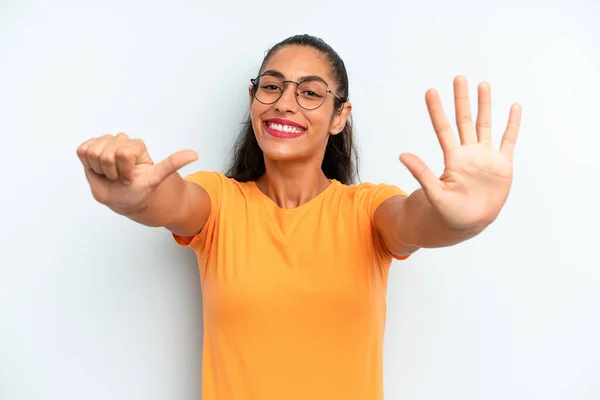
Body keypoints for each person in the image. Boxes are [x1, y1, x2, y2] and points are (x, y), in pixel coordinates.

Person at [76, 34, 521, 400]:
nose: (284, 103)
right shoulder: (221, 203)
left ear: (339, 116)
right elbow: (170, 200)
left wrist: (463, 218)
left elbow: (418, 220)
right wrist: (133, 197)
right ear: (253, 99)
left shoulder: (366, 210)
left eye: (309, 92)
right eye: (271, 86)